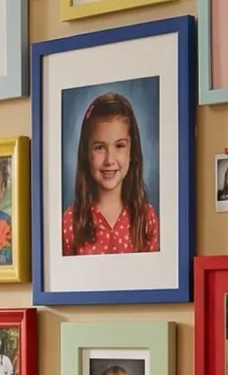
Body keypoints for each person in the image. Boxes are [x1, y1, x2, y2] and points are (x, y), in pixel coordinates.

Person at [62, 92, 159, 255]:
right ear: (86, 153)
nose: (109, 160)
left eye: (119, 146)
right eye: (100, 147)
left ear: (132, 150)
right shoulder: (70, 221)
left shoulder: (146, 217)